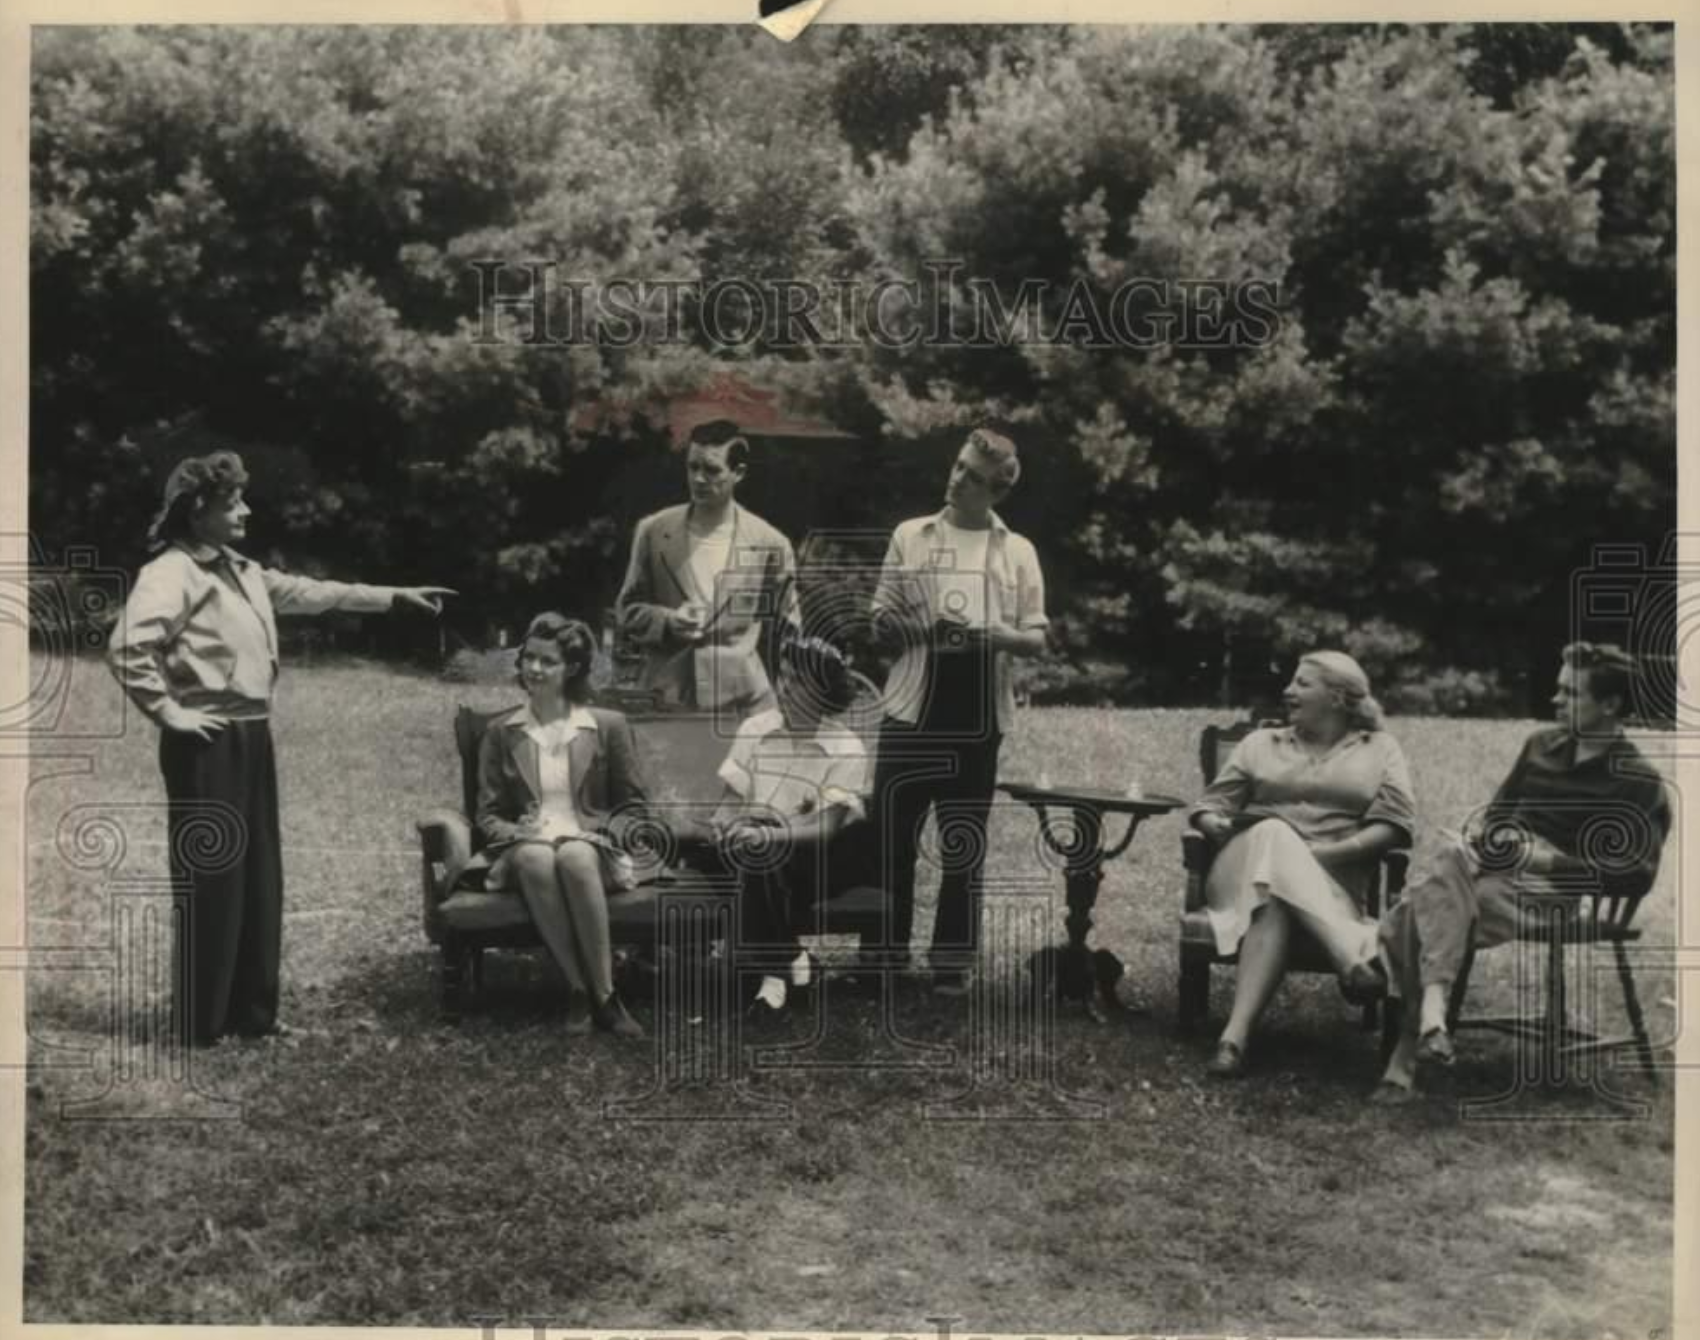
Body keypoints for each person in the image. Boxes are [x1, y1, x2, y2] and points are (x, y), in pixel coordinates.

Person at [107, 450, 453, 1046]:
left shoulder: (240, 569)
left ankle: (254, 1015)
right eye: (231, 502)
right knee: (212, 880)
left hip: (252, 733)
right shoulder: (172, 571)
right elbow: (127, 647)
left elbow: (314, 592)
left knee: (258, 877)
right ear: (197, 512)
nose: (245, 510)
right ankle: (202, 1022)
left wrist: (395, 595)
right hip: (207, 739)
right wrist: (169, 713)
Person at [1375, 642, 1670, 1099]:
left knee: (1424, 904)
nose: (1555, 701)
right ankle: (1428, 1016)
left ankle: (1406, 1047)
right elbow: (1497, 816)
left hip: (1554, 892)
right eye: (1559, 690)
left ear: (1611, 704)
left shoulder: (1637, 779)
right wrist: (1496, 842)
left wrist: (1545, 859)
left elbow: (1636, 873)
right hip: (1492, 872)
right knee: (1450, 857)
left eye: (1571, 693)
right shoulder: (1540, 746)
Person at [867, 427, 1049, 994]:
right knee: (890, 834)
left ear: (996, 490)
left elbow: (1037, 636)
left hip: (977, 705)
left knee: (963, 839)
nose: (957, 479)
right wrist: (926, 629)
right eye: (957, 467)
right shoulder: (911, 536)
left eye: (972, 476)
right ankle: (882, 955)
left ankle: (952, 962)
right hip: (911, 699)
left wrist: (995, 634)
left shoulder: (1016, 551)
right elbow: (879, 623)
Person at [1189, 651, 1416, 1078]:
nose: (1288, 691)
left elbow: (1395, 825)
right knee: (1275, 835)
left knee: (1273, 900)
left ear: (1338, 697)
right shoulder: (1260, 743)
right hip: (1239, 871)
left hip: (1329, 888)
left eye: (1302, 684)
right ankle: (1351, 958)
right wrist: (1213, 823)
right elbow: (1208, 805)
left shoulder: (1381, 750)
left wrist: (1321, 856)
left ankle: (1232, 1040)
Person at [471, 613, 649, 1039]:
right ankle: (578, 990)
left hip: (590, 847)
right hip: (529, 848)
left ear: (570, 668)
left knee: (573, 854)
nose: (533, 668)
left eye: (546, 661)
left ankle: (606, 994)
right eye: (528, 658)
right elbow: (487, 815)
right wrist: (518, 832)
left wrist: (600, 832)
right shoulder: (502, 732)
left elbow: (635, 808)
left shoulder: (605, 727)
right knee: (535, 856)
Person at [702, 635, 869, 1015]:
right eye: (783, 676)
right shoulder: (755, 729)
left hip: (814, 858)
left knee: (761, 857)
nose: (784, 687)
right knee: (745, 854)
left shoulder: (846, 747)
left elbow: (825, 829)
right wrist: (723, 822)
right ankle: (791, 960)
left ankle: (773, 975)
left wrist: (765, 834)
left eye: (798, 681)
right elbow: (729, 801)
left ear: (823, 690)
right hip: (749, 845)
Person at [615, 419, 800, 718]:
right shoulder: (653, 531)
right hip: (665, 701)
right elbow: (627, 611)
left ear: (738, 472)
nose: (699, 479)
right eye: (692, 467)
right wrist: (668, 620)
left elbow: (789, 632)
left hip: (742, 706)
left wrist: (785, 704)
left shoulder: (770, 543)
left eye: (711, 470)